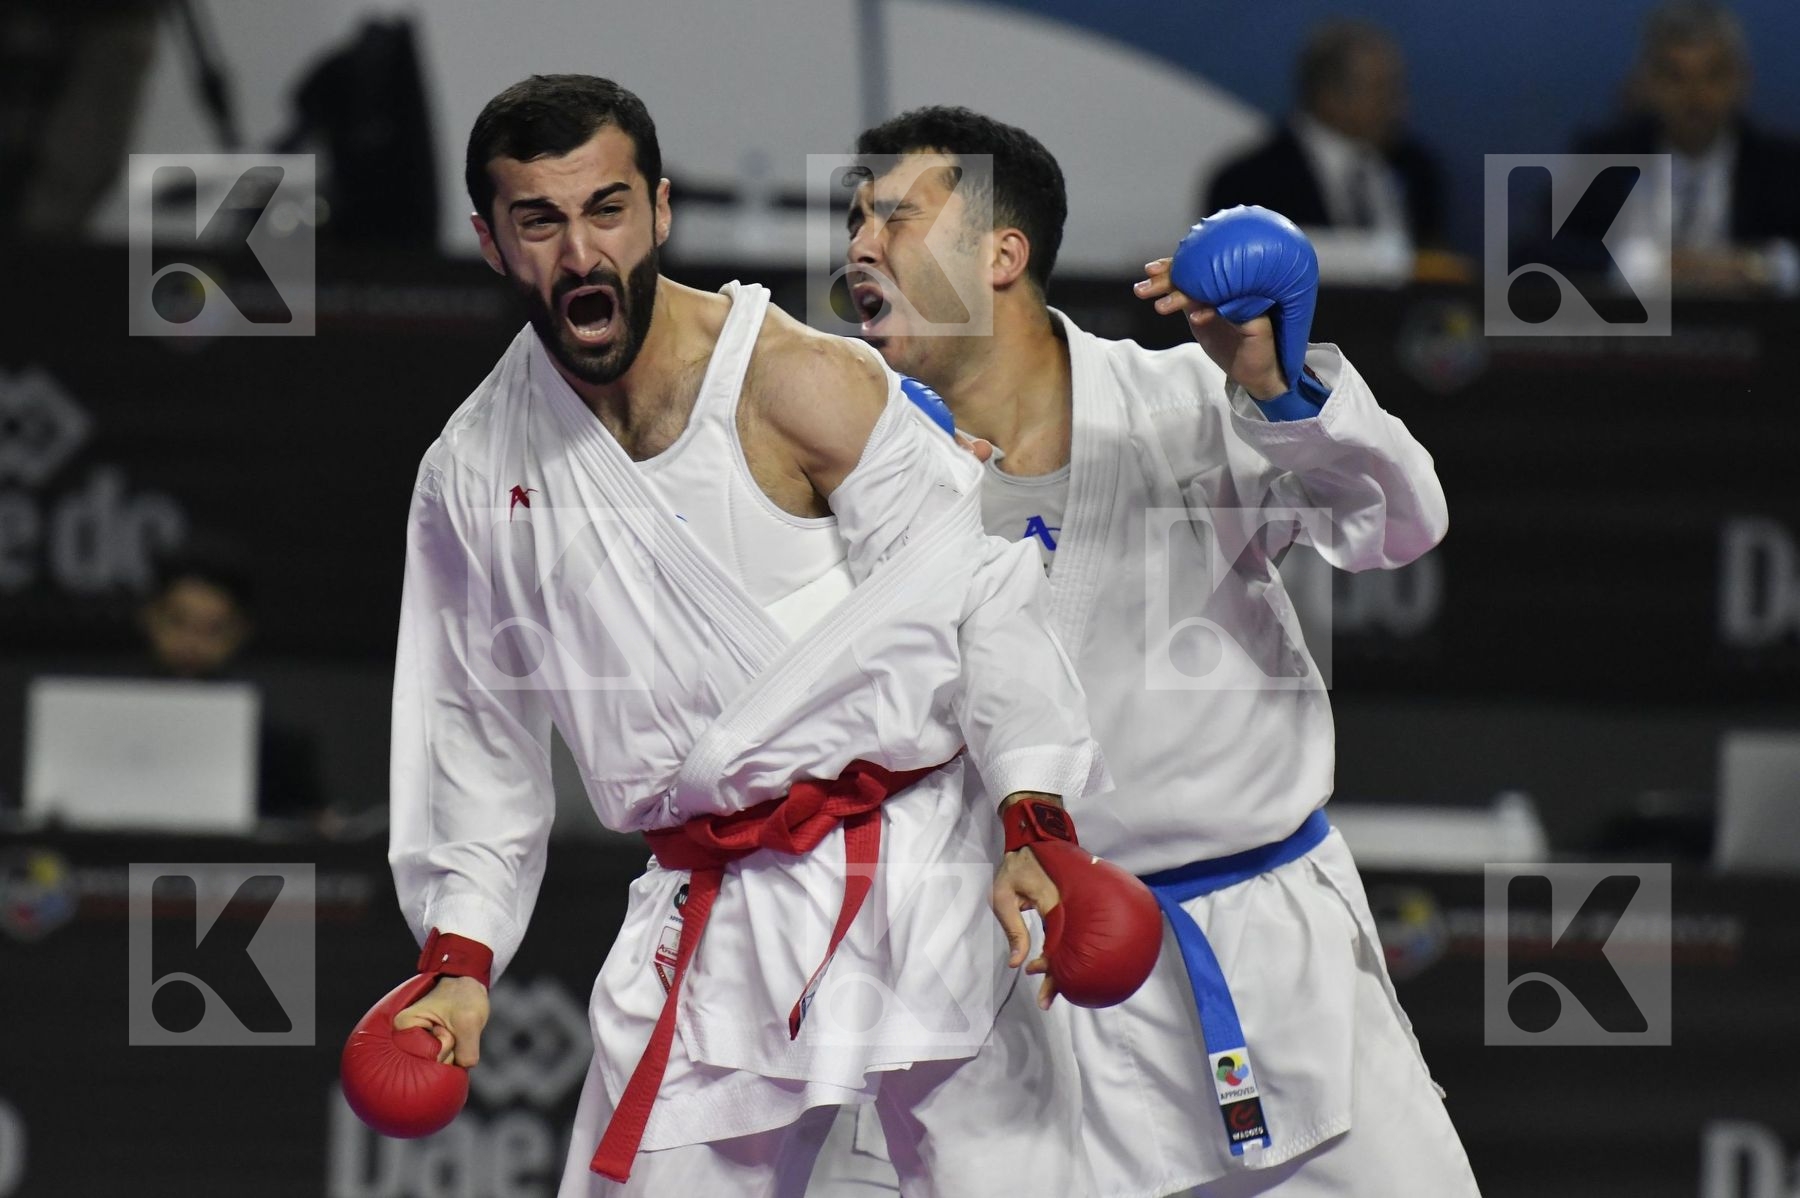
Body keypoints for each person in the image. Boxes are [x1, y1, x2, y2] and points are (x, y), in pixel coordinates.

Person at [379, 75, 1119, 1197]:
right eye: (539, 221)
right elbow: (469, 730)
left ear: (661, 210)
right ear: (490, 240)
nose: (580, 253)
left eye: (608, 209)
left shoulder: (797, 380)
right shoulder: (475, 470)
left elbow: (984, 595)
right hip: (713, 908)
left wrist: (1034, 815)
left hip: (927, 876)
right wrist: (459, 952)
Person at [816, 106, 1479, 1197]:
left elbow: (1399, 526)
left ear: (1002, 254)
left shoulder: (1181, 404)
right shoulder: (850, 467)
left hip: (1261, 958)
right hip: (1006, 974)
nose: (859, 244)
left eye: (894, 215)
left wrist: (1275, 387)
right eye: (853, 219)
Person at [1572, 0, 1800, 292]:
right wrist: (1644, 266)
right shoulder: (1604, 160)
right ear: (1647, 82)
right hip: (1630, 321)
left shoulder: (1784, 167)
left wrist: (1766, 266)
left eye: (1713, 75)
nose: (1695, 95)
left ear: (1742, 80)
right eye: (1676, 77)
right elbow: (1541, 252)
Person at [1204, 20, 1444, 249]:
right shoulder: (1248, 185)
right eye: (1381, 91)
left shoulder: (1417, 172)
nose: (1398, 107)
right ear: (1328, 95)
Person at [139, 541, 325, 823]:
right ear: (149, 618)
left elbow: (314, 828)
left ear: (240, 633)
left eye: (212, 630)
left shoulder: (277, 749)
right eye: (177, 622)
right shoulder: (99, 726)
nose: (191, 643)